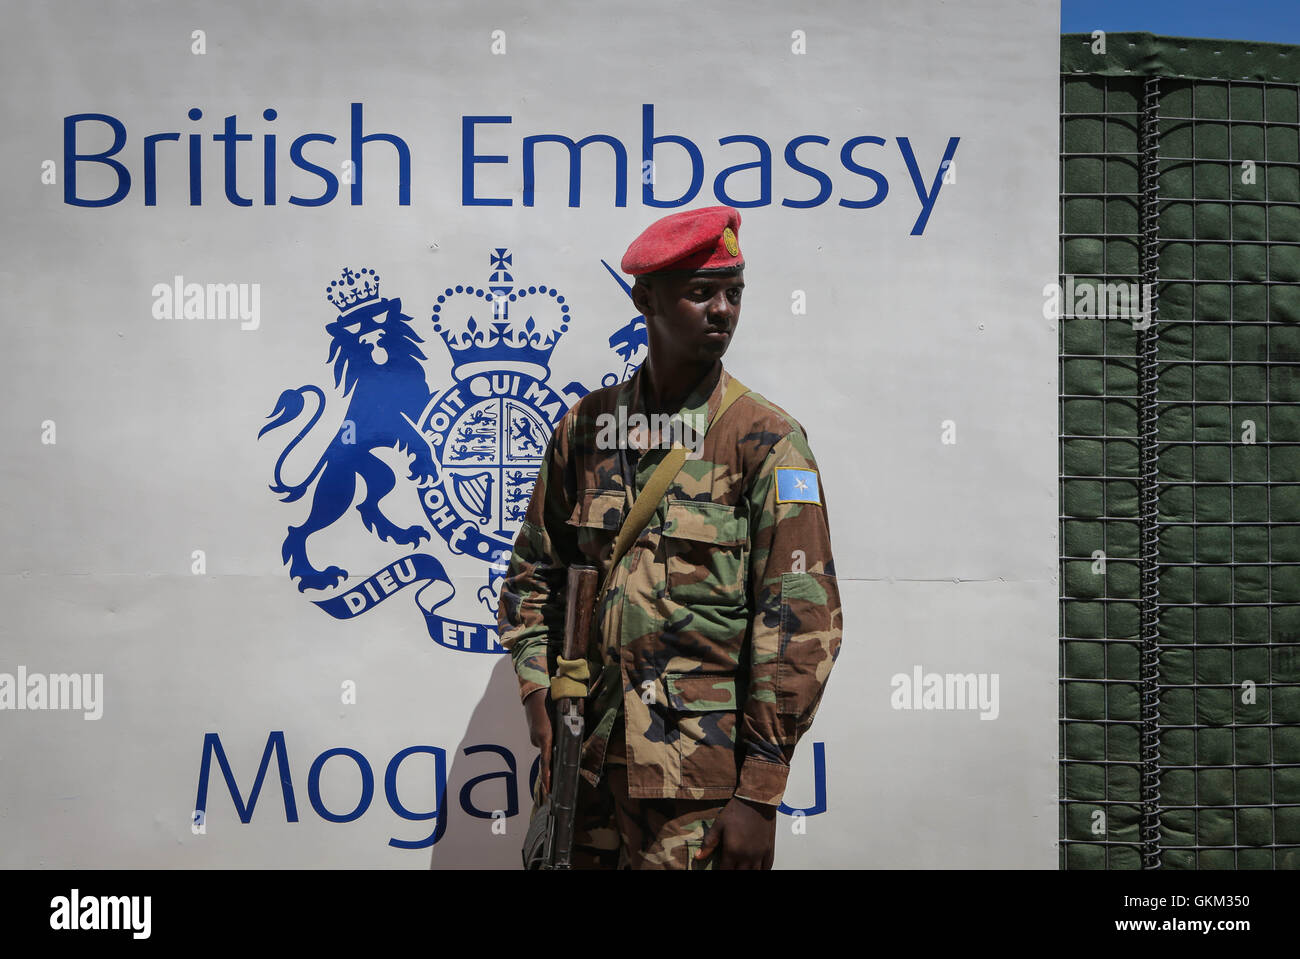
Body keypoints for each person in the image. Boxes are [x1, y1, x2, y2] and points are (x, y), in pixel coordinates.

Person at [496, 205, 842, 869]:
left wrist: (759, 792)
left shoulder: (765, 440)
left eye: (733, 293)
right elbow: (534, 574)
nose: (721, 310)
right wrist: (539, 697)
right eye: (700, 292)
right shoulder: (587, 430)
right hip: (583, 771)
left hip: (696, 792)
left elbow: (800, 622)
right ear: (645, 299)